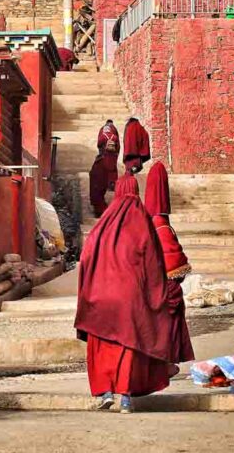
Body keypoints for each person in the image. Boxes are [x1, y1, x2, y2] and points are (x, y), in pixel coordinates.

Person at [75, 174, 174, 413]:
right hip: (130, 300)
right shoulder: (141, 222)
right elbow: (153, 264)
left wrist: (87, 294)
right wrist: (158, 295)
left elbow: (85, 259)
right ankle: (126, 397)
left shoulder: (102, 225)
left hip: (99, 299)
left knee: (103, 345)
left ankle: (105, 392)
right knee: (128, 346)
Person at [144, 162, 194, 370]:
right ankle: (166, 362)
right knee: (167, 326)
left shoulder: (148, 225)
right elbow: (174, 260)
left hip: (154, 286)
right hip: (167, 285)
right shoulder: (162, 227)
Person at [88, 119, 120, 217]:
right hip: (112, 157)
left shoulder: (102, 133)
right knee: (111, 172)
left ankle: (98, 209)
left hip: (104, 156)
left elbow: (99, 143)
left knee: (98, 183)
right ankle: (112, 184)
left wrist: (101, 151)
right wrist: (116, 154)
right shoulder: (114, 134)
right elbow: (118, 146)